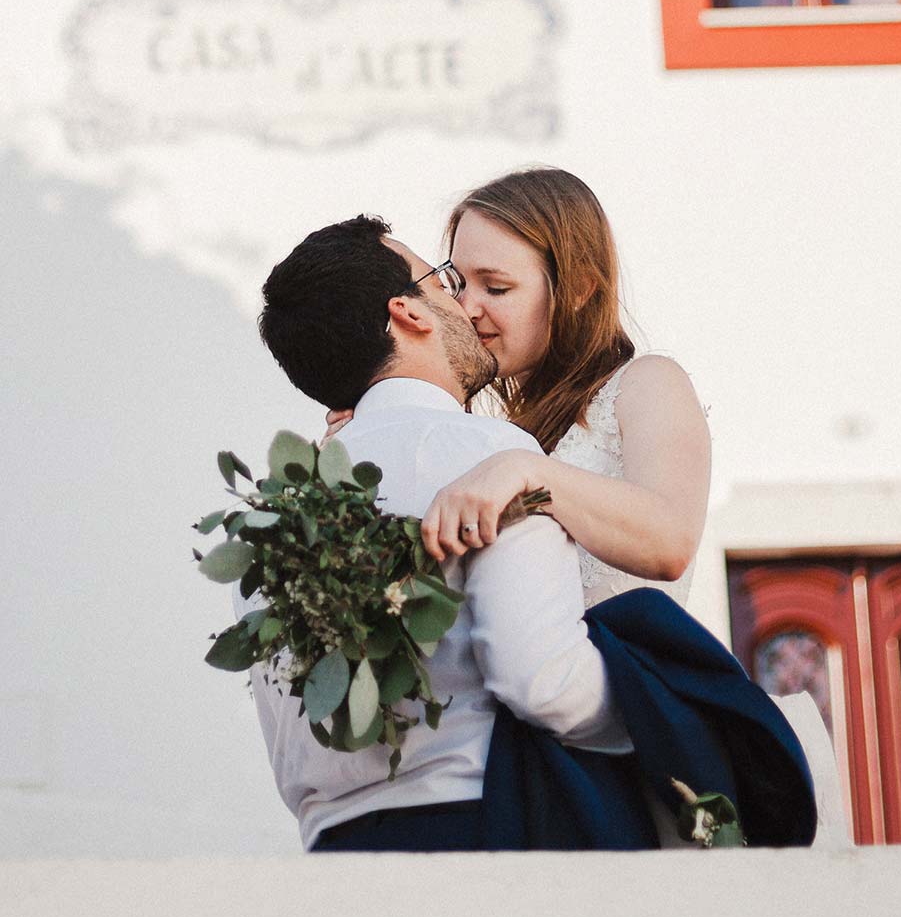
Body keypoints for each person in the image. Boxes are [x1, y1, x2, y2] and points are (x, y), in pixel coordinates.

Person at [326, 166, 848, 847]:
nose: (470, 308)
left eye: (499, 287)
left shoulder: (646, 385)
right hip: (491, 760)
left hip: (623, 743)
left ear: (576, 291)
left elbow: (667, 540)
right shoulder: (475, 428)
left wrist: (523, 472)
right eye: (458, 284)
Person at [247, 214, 632, 853]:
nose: (466, 305)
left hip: (331, 854)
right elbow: (542, 681)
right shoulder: (486, 451)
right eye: (447, 281)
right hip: (478, 828)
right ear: (409, 314)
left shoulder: (272, 510)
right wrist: (662, 705)